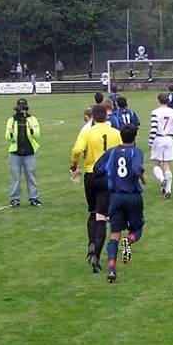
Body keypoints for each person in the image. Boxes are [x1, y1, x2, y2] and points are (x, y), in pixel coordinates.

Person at [71, 104, 124, 273]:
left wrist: (74, 166)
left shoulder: (87, 132)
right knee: (102, 215)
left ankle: (91, 244)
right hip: (107, 176)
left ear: (92, 116)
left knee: (93, 211)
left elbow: (77, 150)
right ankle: (96, 255)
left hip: (90, 175)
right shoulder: (116, 133)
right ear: (107, 116)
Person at [95, 123, 146, 284]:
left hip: (115, 197)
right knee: (137, 228)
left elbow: (98, 169)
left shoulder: (112, 152)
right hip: (132, 196)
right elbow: (137, 168)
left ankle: (111, 269)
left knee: (114, 234)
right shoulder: (136, 152)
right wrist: (142, 176)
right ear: (135, 138)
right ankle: (129, 240)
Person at [5, 98, 41, 208]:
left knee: (31, 176)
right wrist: (10, 134)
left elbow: (37, 135)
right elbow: (8, 138)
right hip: (15, 153)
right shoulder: (12, 120)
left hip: (29, 152)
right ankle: (15, 199)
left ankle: (34, 198)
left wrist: (31, 129)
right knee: (15, 177)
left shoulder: (32, 119)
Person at [148, 92, 173, 199]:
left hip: (158, 138)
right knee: (167, 164)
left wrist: (150, 141)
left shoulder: (155, 112)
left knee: (155, 163)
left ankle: (162, 179)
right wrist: (172, 131)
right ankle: (168, 189)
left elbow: (154, 129)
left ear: (158, 101)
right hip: (169, 138)